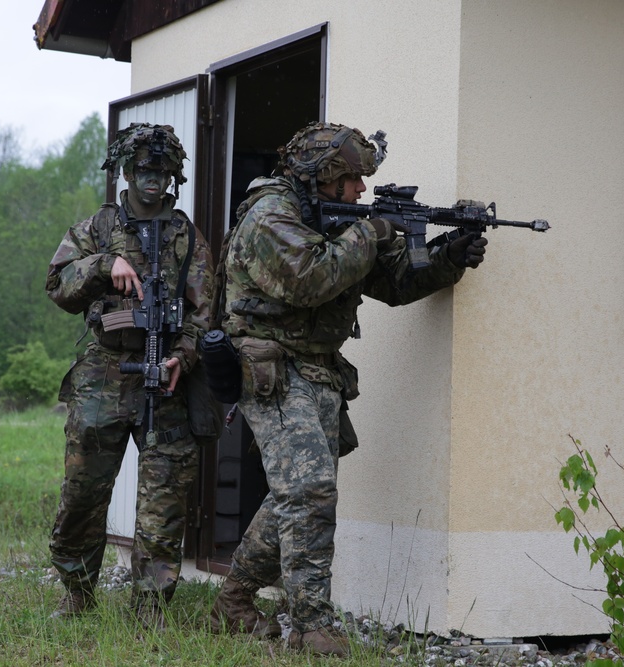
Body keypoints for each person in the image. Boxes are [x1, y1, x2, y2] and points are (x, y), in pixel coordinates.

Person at [207, 121, 487, 656]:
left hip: (318, 371)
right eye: (354, 180)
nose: (361, 191)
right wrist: (373, 231)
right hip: (269, 367)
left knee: (296, 493)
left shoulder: (340, 220)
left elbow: (395, 283)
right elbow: (309, 278)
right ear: (325, 177)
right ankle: (312, 625)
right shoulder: (270, 216)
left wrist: (450, 256)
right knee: (309, 490)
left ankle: (235, 601)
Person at [45, 123, 215, 629]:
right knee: (83, 491)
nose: (153, 181)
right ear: (126, 171)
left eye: (163, 172)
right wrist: (104, 264)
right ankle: (77, 591)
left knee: (164, 499)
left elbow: (206, 311)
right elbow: (56, 284)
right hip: (104, 371)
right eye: (144, 170)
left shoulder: (186, 236)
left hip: (166, 377)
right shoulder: (95, 229)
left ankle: (150, 607)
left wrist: (182, 355)